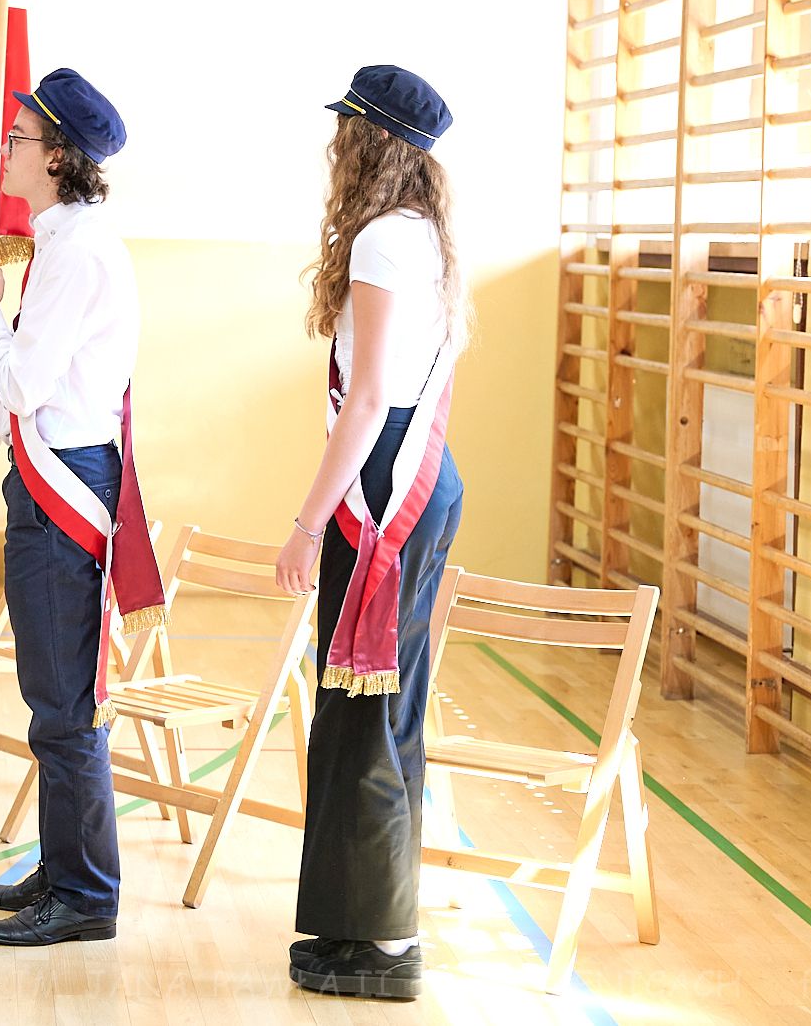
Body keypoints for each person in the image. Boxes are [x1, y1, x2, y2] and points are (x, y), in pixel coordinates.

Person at [0, 68, 163, 946]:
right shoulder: (62, 242)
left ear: (59, 157)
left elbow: (22, 382)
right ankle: (65, 867)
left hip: (64, 485)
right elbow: (19, 391)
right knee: (50, 695)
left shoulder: (78, 251)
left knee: (65, 703)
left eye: (19, 138)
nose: (6, 149)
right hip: (46, 475)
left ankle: (87, 894)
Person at [274, 65, 466, 999]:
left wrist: (306, 523)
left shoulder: (383, 239)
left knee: (370, 706)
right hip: (412, 471)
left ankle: (385, 943)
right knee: (374, 705)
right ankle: (363, 927)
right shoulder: (423, 233)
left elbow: (369, 400)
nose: (336, 142)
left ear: (373, 141)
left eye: (348, 127)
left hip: (380, 481)